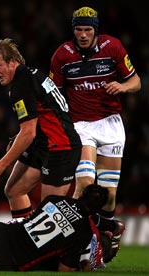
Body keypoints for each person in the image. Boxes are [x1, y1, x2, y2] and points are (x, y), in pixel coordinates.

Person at [49, 6, 139, 254]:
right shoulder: (62, 55)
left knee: (109, 196)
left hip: (110, 124)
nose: (83, 35)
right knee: (86, 186)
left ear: (96, 30)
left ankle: (107, 236)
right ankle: (75, 244)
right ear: (73, 31)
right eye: (79, 30)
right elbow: (53, 94)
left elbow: (136, 80)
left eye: (88, 29)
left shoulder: (113, 48)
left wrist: (123, 88)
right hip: (81, 127)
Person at [0, 38, 82, 220]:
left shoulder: (22, 84)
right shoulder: (30, 74)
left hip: (61, 147)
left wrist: (2, 164)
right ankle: (24, 238)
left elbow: (28, 132)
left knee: (50, 213)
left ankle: (103, 230)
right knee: (14, 190)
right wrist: (18, 137)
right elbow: (41, 118)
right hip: (43, 143)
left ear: (12, 62)